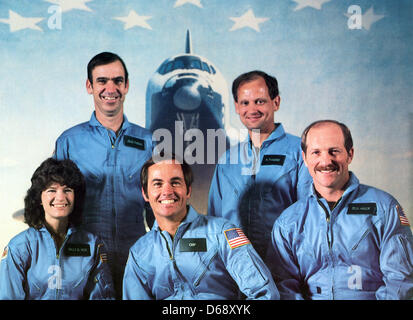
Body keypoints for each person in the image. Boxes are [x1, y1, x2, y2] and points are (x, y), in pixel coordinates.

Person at [267, 120, 413, 300]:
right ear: (305, 159)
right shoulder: (288, 222)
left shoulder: (384, 208)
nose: (326, 161)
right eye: (316, 152)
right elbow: (284, 287)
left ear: (350, 154)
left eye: (334, 151)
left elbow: (400, 280)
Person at [53, 52, 153, 297]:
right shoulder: (70, 141)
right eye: (102, 81)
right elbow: (53, 203)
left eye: (118, 81)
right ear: (89, 86)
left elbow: (158, 207)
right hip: (83, 259)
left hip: (136, 257)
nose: (111, 88)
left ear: (126, 86)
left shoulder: (149, 141)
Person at [122, 154, 279, 300]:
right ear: (145, 194)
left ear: (188, 190)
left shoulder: (222, 233)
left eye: (175, 182)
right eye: (158, 184)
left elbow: (265, 294)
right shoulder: (139, 253)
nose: (167, 191)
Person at [208, 70, 312, 259]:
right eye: (245, 103)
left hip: (285, 263)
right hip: (236, 267)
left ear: (276, 102)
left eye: (260, 101)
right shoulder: (227, 159)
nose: (252, 109)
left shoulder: (300, 152)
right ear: (236, 107)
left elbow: (310, 216)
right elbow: (215, 220)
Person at [0, 158, 115, 300]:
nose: (60, 197)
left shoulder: (92, 245)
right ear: (39, 198)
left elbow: (102, 296)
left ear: (76, 197)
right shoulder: (20, 246)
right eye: (51, 190)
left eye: (67, 190)